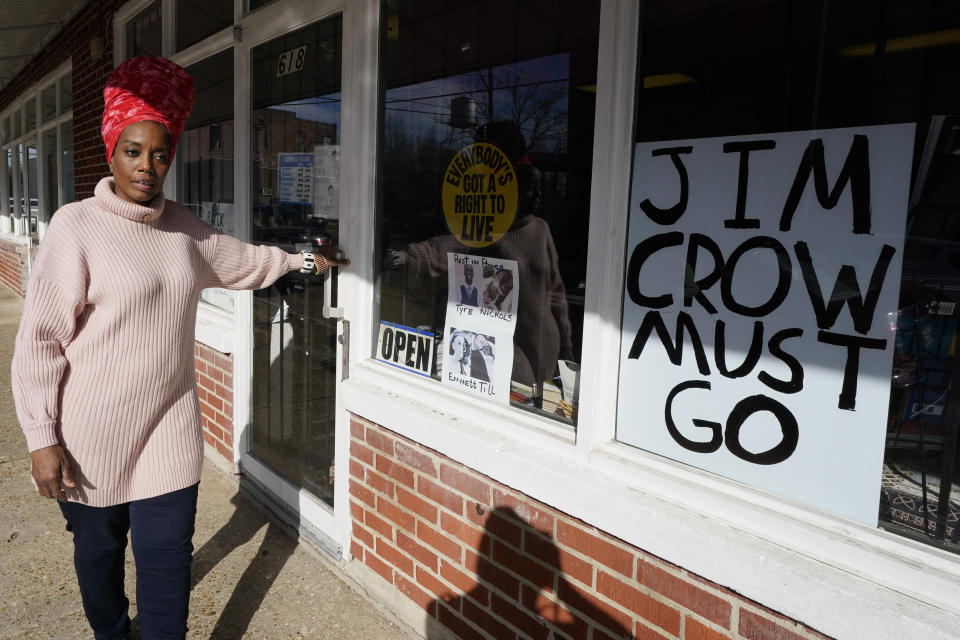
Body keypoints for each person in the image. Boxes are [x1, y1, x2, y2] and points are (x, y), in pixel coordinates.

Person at [10, 56, 349, 640]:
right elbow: (40, 343)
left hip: (168, 427)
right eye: (133, 150)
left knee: (167, 561)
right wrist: (42, 438)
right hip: (91, 433)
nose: (147, 166)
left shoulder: (185, 230)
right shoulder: (77, 226)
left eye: (160, 153)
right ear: (111, 151)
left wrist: (306, 261)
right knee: (100, 558)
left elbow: (246, 260)